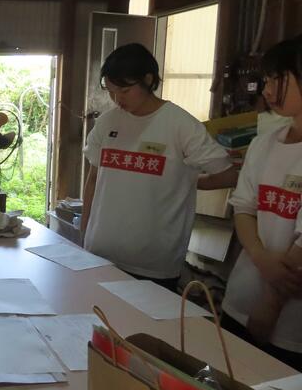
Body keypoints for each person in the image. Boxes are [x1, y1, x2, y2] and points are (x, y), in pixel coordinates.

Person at [82, 43, 239, 291]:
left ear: (148, 79)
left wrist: (186, 181)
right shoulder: (107, 122)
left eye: (124, 90)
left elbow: (228, 175)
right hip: (100, 254)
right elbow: (93, 179)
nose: (117, 99)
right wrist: (84, 236)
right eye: (112, 91)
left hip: (153, 264)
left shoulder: (180, 124)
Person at [220, 36, 302, 371]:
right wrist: (260, 257)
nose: (266, 90)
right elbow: (243, 207)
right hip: (240, 300)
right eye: (266, 80)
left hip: (289, 322)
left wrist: (270, 303)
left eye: (276, 79)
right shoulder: (264, 144)